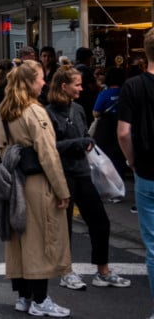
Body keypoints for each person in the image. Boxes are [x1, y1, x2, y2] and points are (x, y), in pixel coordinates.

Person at [0, 59, 72, 316]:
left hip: (14, 182)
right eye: (40, 78)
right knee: (41, 241)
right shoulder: (35, 112)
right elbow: (49, 155)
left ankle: (24, 297)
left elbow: (0, 147)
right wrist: (62, 191)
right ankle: (41, 300)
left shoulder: (6, 111)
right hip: (37, 184)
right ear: (29, 82)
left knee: (18, 239)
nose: (44, 83)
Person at [46, 65, 130, 292]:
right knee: (64, 227)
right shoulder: (48, 113)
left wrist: (85, 142)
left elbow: (83, 136)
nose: (82, 88)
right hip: (62, 175)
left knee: (100, 221)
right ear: (64, 86)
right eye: (77, 84)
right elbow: (49, 147)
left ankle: (103, 271)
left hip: (83, 172)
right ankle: (66, 271)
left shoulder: (79, 109)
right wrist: (79, 143)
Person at [118, 28, 154, 316]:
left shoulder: (132, 86)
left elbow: (123, 133)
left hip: (147, 172)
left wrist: (132, 161)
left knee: (153, 246)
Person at [93, 68, 128, 178]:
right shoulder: (126, 92)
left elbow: (95, 113)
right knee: (119, 159)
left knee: (107, 159)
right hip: (123, 127)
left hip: (106, 132)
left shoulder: (104, 94)